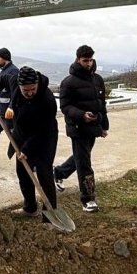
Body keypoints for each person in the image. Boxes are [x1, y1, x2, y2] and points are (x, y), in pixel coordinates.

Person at [55, 44, 109, 212]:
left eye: (91, 60)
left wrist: (104, 126)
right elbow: (65, 106)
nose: (89, 63)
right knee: (84, 162)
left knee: (81, 157)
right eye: (85, 60)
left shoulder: (98, 80)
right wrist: (81, 115)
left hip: (93, 126)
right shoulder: (68, 82)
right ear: (78, 59)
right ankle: (88, 199)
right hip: (77, 127)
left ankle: (58, 173)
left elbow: (102, 105)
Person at [6, 66, 59, 220]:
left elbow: (42, 131)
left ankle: (49, 216)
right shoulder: (14, 82)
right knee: (23, 172)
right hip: (23, 134)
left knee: (44, 174)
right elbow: (2, 80)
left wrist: (27, 149)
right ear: (20, 86)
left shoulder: (47, 100)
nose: (29, 93)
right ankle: (30, 208)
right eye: (25, 90)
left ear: (37, 84)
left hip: (45, 137)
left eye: (33, 89)